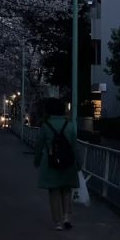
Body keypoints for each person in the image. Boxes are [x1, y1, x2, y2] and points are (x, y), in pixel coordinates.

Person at [33, 97, 79, 231]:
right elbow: (75, 147)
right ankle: (66, 218)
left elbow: (39, 146)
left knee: (54, 192)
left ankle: (57, 222)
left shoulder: (45, 126)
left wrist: (36, 161)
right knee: (66, 190)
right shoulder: (70, 125)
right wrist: (79, 163)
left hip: (51, 163)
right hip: (68, 163)